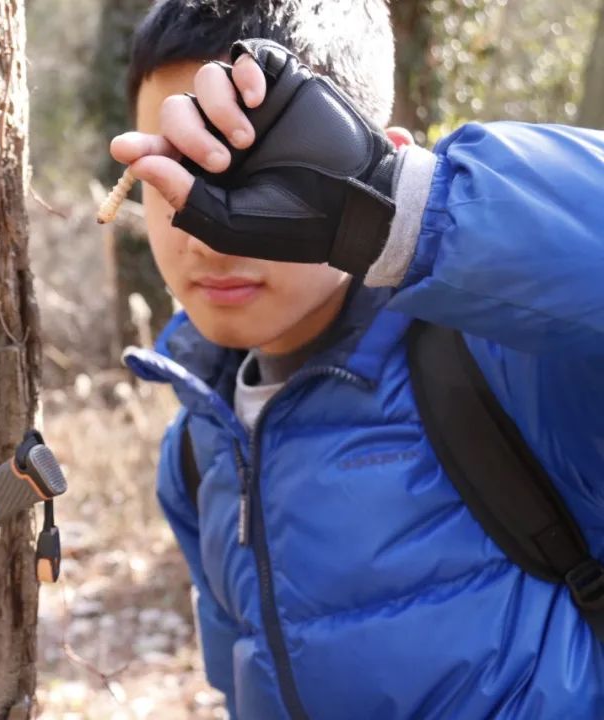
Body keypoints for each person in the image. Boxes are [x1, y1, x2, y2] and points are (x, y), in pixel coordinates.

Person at [109, 1, 604, 718]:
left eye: (251, 176)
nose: (208, 236)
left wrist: (404, 207)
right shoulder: (196, 444)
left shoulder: (504, 363)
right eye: (171, 177)